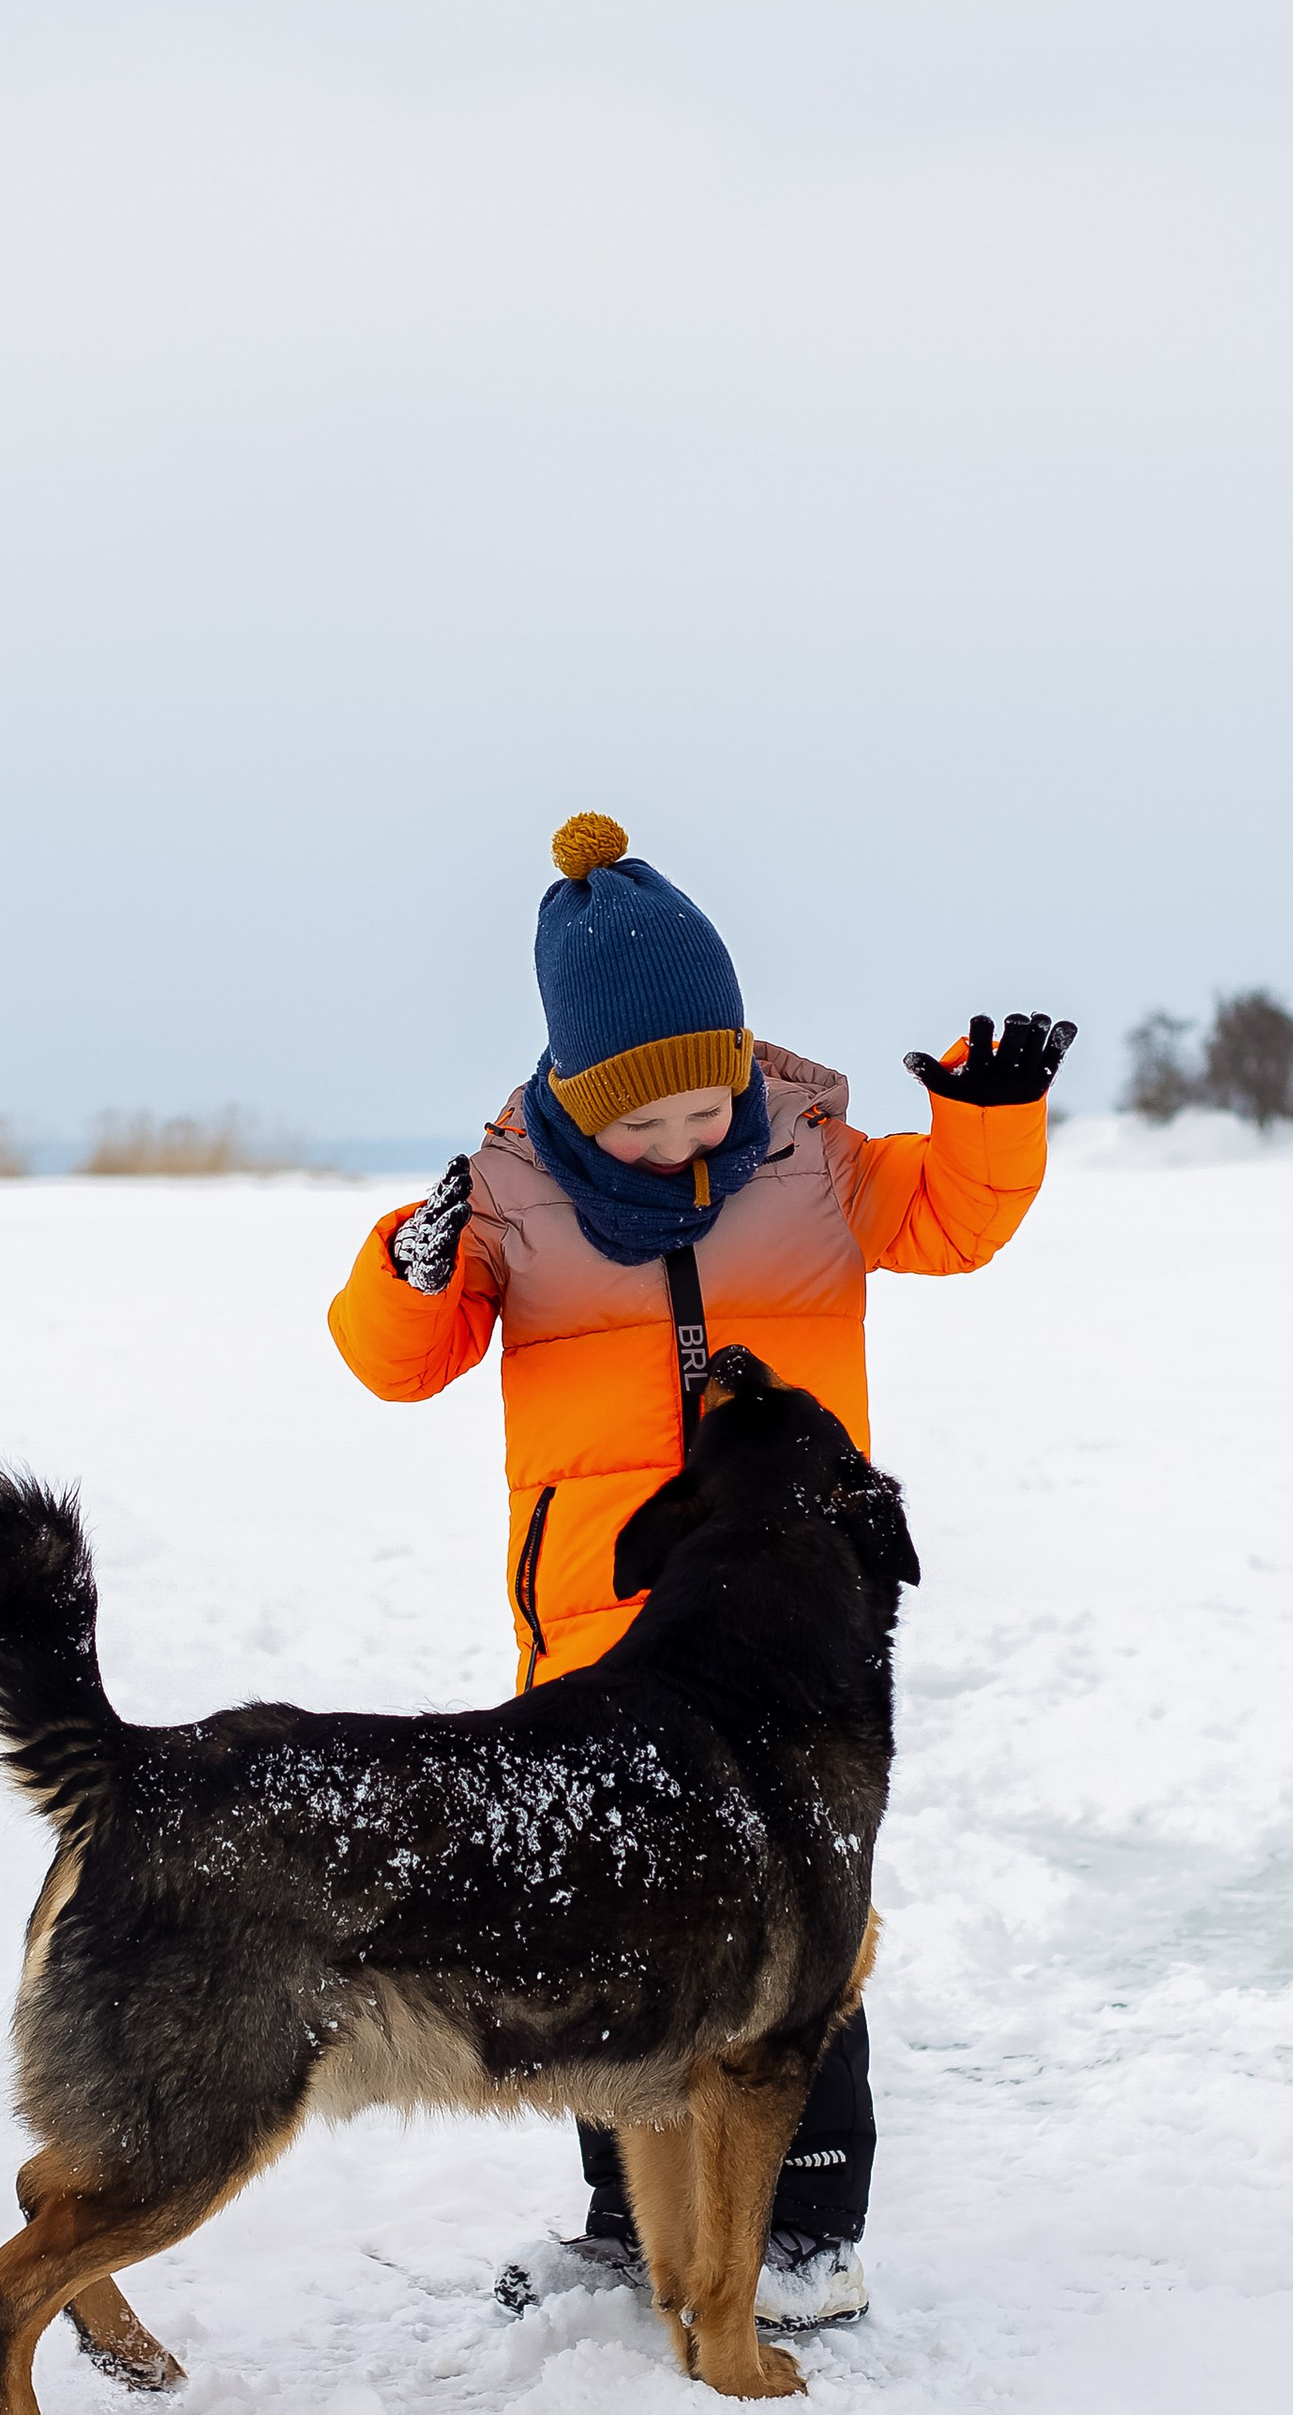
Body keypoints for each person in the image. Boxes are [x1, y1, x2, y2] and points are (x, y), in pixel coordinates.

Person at [326, 811, 1072, 2332]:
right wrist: (406, 1264)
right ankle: (630, 2223)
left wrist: (989, 1122)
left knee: (803, 1933)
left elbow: (951, 1221)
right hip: (605, 1631)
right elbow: (397, 1365)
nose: (682, 1145)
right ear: (572, 1099)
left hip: (792, 1628)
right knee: (615, 1937)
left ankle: (806, 2236)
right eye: (640, 1127)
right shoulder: (507, 1199)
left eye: (703, 1108)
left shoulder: (809, 1163)